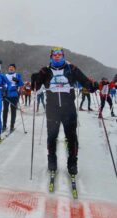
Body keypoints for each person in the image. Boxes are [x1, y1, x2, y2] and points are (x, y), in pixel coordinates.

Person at [31, 47, 97, 176]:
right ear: (51, 56)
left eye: (59, 54)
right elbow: (35, 87)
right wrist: (35, 79)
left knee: (71, 138)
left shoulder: (71, 69)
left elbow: (84, 81)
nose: (57, 56)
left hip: (69, 109)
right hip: (52, 109)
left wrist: (92, 86)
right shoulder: (46, 70)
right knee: (52, 137)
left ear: (63, 56)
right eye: (54, 54)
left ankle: (72, 163)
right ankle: (52, 162)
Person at [2, 64, 24, 132]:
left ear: (14, 69)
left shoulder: (17, 75)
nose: (11, 68)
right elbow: (2, 84)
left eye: (12, 68)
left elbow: (21, 84)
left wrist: (17, 80)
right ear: (8, 68)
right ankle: (4, 125)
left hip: (14, 95)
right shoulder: (5, 75)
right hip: (6, 95)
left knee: (13, 111)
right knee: (5, 110)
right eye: (10, 67)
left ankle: (12, 126)